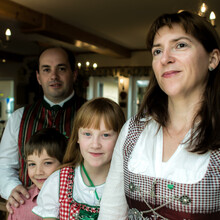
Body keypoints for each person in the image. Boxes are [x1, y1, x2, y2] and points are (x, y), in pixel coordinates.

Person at [98, 11, 220, 220]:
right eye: (157, 51)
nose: (165, 59)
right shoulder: (133, 130)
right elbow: (111, 213)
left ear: (213, 58)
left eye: (180, 45)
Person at [0, 47, 86, 213]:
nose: (53, 76)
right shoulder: (19, 117)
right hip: (29, 209)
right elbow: (4, 164)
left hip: (79, 210)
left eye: (61, 68)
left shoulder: (92, 115)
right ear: (39, 77)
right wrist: (12, 188)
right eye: (46, 70)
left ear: (74, 74)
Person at [32, 97, 125, 220]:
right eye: (87, 134)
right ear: (77, 137)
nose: (95, 144)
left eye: (106, 135)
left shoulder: (127, 184)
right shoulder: (58, 181)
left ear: (120, 138)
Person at [7, 128, 67, 219]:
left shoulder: (79, 197)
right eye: (32, 164)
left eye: (47, 163)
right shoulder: (19, 203)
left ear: (64, 163)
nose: (38, 172)